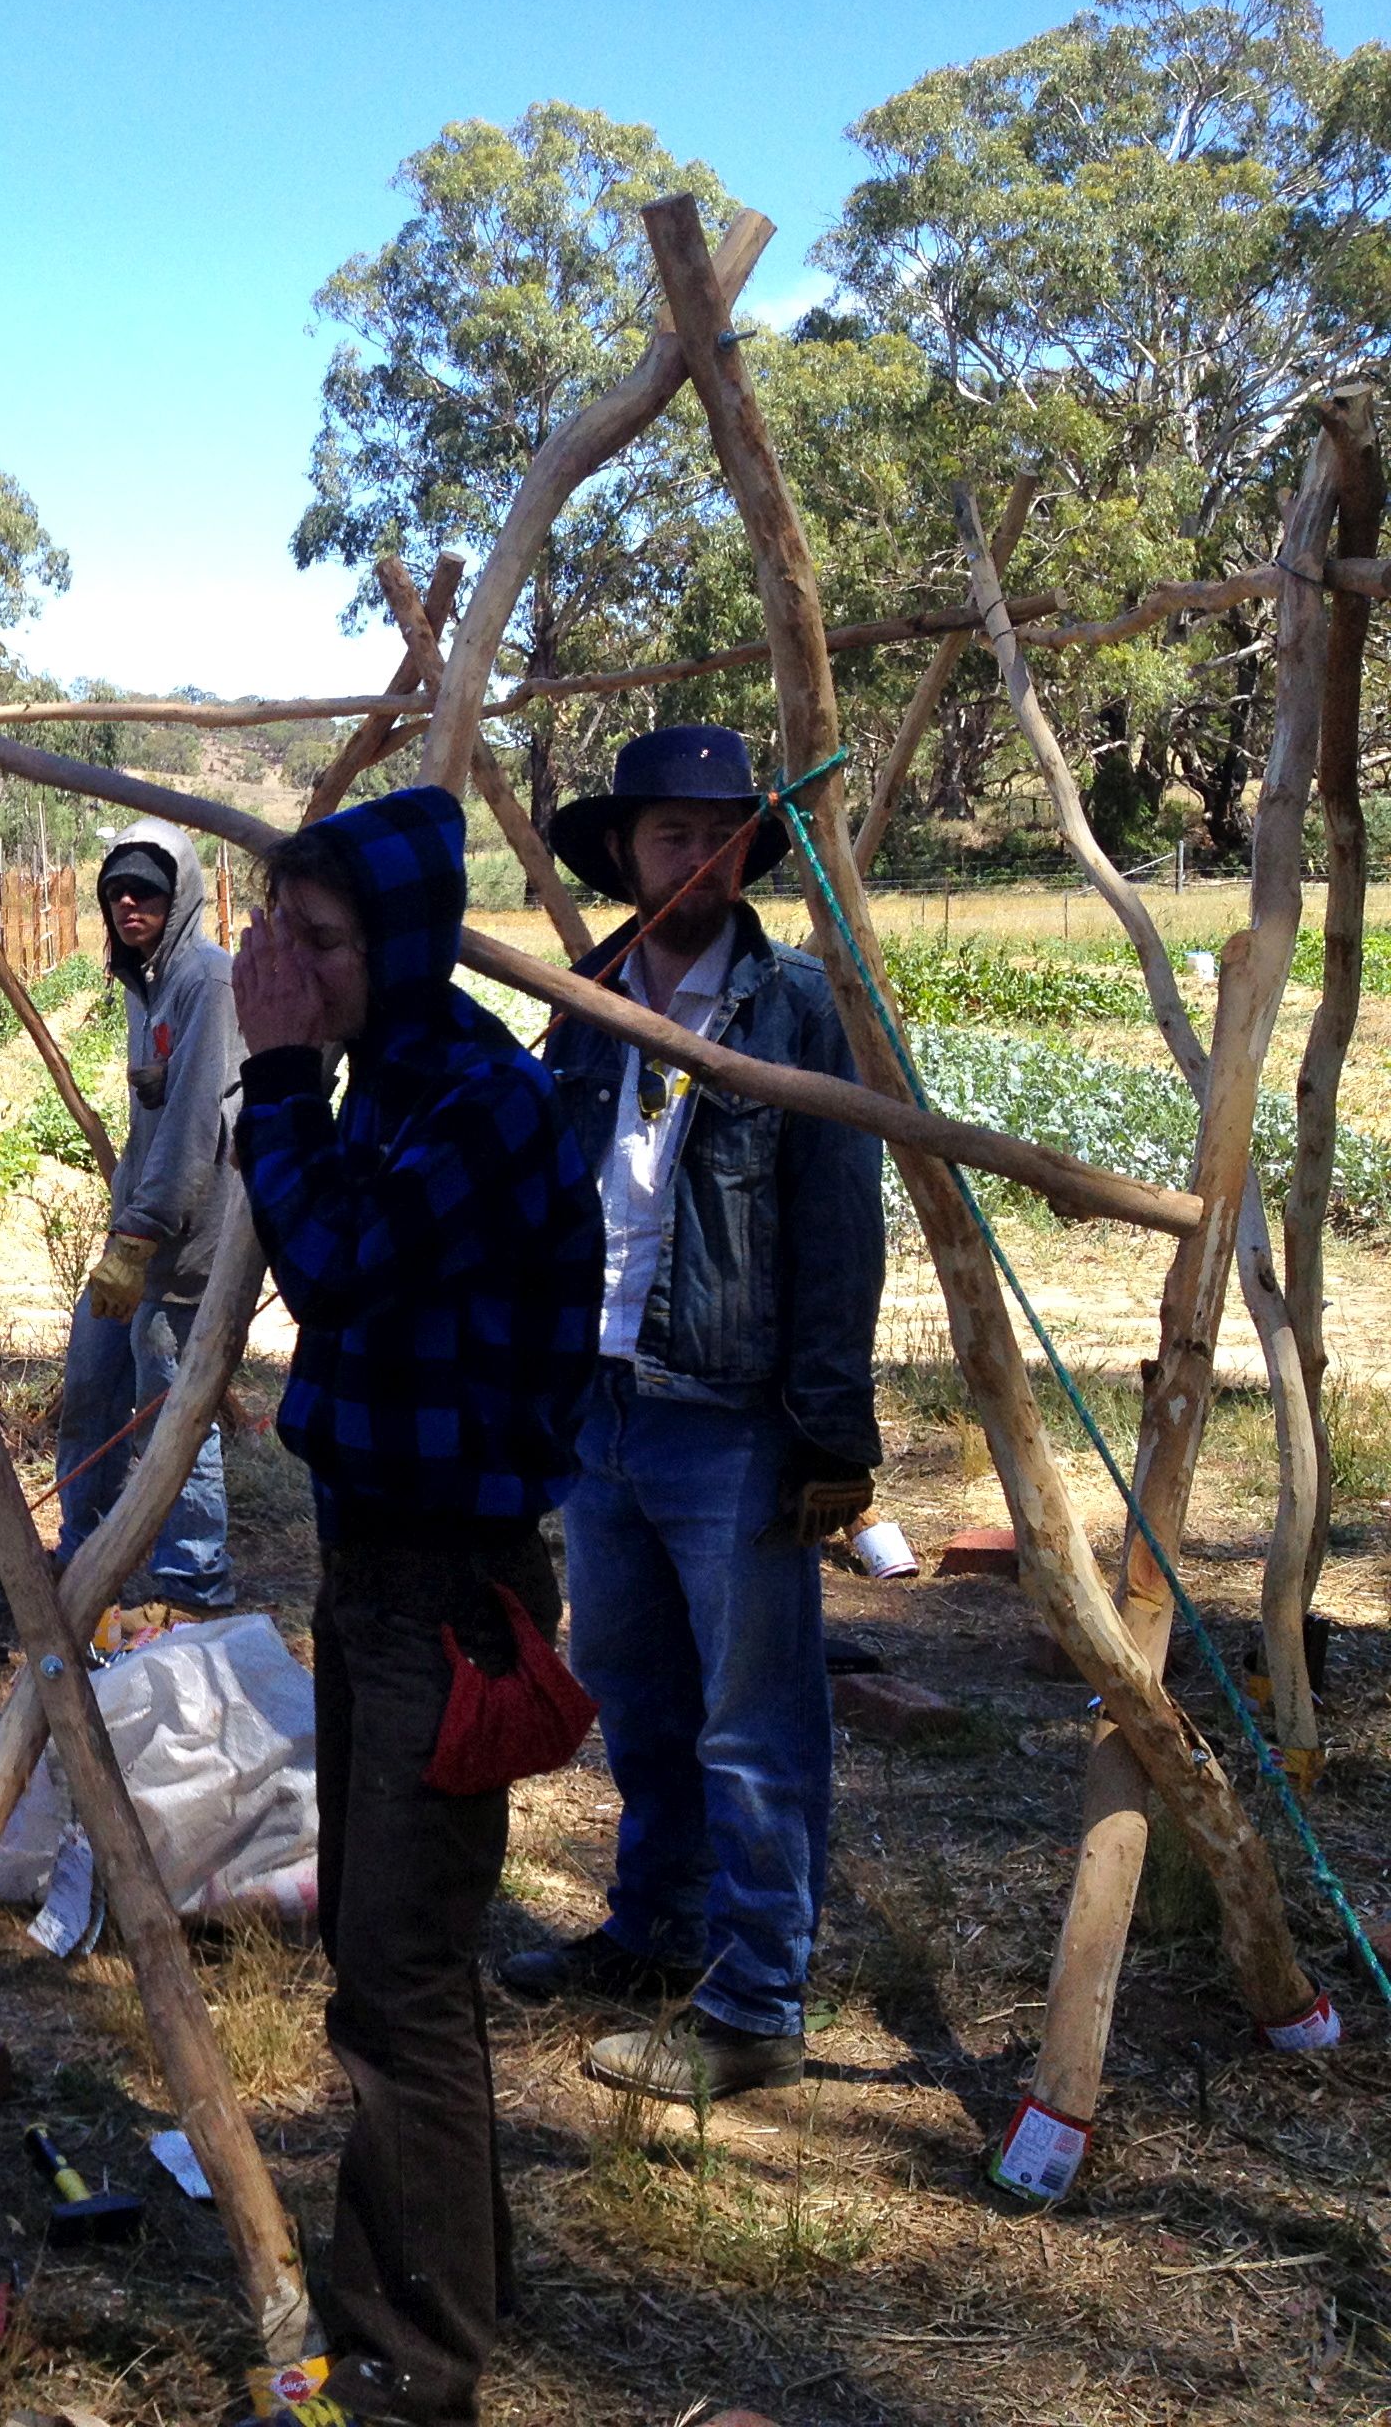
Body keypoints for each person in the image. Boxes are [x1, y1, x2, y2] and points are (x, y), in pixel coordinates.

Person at [234, 783, 600, 2427]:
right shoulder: (387, 1075)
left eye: (316, 939)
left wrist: (264, 1074)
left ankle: (405, 2369)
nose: (283, 964)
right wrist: (298, 1074)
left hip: (444, 1593)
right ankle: (453, 2280)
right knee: (395, 1961)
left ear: (392, 944)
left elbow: (327, 1265)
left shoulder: (475, 1101)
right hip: (368, 1566)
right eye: (278, 933)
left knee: (394, 1983)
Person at [501, 725, 886, 2102]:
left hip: (731, 1415)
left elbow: (841, 1226)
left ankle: (755, 2003)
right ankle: (652, 1929)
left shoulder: (793, 1013)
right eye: (673, 834)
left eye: (721, 836)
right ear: (623, 850)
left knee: (753, 1716)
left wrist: (833, 1436)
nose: (700, 858)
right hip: (601, 1402)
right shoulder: (587, 997)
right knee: (638, 1695)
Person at [51, 823, 240, 1608]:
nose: (129, 903)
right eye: (116, 891)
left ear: (180, 897)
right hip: (133, 1235)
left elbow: (199, 1123)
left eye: (147, 892)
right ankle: (84, 1554)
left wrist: (141, 1230)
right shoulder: (147, 981)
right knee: (92, 1380)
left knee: (172, 1414)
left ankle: (192, 1581)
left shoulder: (206, 980)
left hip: (183, 1247)